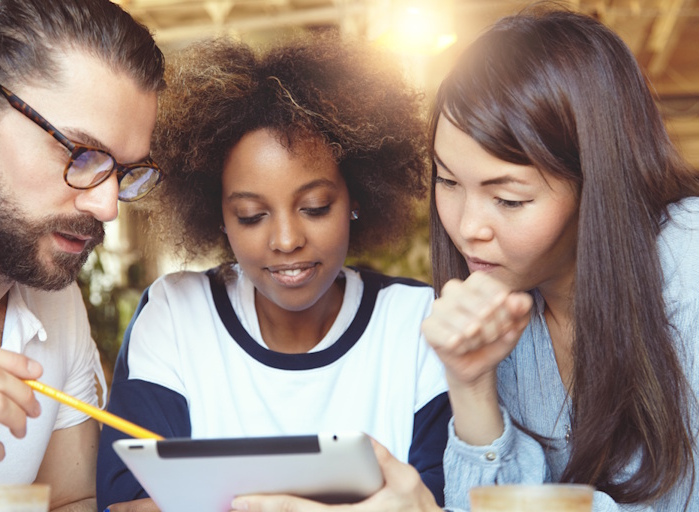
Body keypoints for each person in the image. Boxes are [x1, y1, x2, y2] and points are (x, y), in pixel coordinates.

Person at [226, 6, 699, 512]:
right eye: (448, 181)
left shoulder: (687, 263)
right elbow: (493, 500)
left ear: (597, 181)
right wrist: (470, 384)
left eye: (510, 199)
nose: (468, 228)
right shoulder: (501, 305)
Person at [96, 34, 451, 511]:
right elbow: (127, 503)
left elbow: (445, 500)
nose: (286, 240)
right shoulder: (177, 316)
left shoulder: (417, 323)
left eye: (315, 206)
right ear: (217, 216)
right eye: (250, 215)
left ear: (357, 198)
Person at [0, 0, 164, 509]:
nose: (107, 208)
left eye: (122, 173)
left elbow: (68, 501)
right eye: (80, 154)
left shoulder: (55, 303)